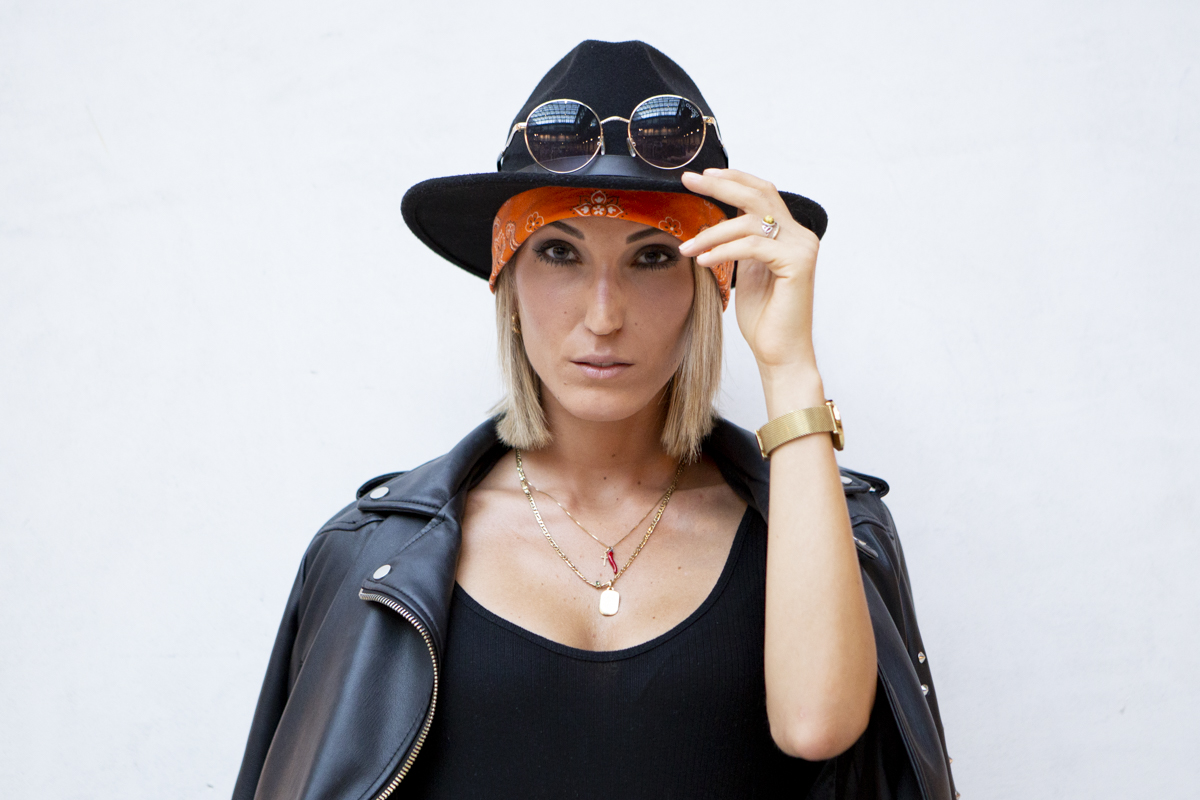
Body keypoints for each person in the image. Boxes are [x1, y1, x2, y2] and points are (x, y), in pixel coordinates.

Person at [233, 40, 957, 800]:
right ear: (506, 282)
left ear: (710, 286)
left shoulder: (822, 529)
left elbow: (817, 727)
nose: (604, 316)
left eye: (653, 257)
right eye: (559, 252)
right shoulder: (372, 556)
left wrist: (790, 368)